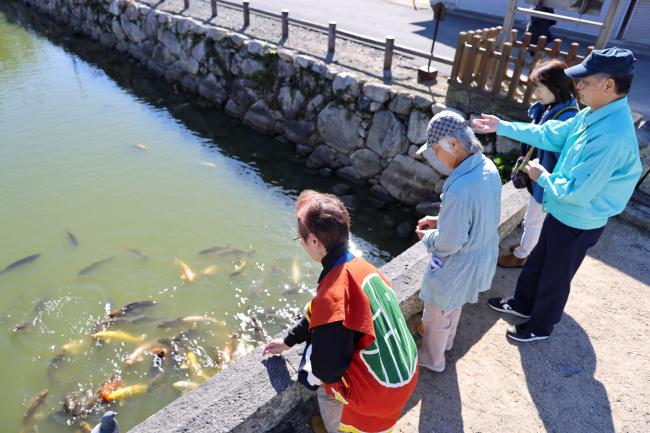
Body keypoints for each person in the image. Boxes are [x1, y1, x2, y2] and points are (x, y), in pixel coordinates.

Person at [473, 47, 642, 342]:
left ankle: (541, 326)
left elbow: (576, 193)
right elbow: (551, 135)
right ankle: (522, 304)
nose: (578, 87)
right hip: (563, 211)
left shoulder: (612, 135)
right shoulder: (595, 113)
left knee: (556, 276)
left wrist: (543, 177)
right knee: (539, 261)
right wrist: (503, 126)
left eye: (585, 81)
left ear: (608, 85)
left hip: (578, 219)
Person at [263, 190, 418, 433]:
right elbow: (322, 310)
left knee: (326, 394)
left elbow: (327, 369)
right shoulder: (364, 268)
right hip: (405, 376)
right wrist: (289, 340)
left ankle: (336, 427)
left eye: (300, 239)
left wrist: (311, 356)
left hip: (377, 394)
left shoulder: (333, 292)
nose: (302, 244)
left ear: (314, 241)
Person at [414, 110, 502, 373]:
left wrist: (429, 237)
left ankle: (432, 358)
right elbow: (476, 215)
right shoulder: (487, 167)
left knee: (436, 312)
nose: (436, 158)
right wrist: (441, 219)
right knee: (454, 307)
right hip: (480, 256)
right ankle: (446, 344)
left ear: (453, 144)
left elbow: (448, 244)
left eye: (436, 151)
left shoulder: (461, 187)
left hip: (457, 266)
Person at [498, 59, 579, 268]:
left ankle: (522, 256)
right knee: (535, 219)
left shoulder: (565, 117)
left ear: (555, 88)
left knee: (533, 219)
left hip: (546, 179)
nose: (536, 94)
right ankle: (528, 247)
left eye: (539, 88)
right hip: (542, 175)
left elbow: (542, 137)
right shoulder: (558, 107)